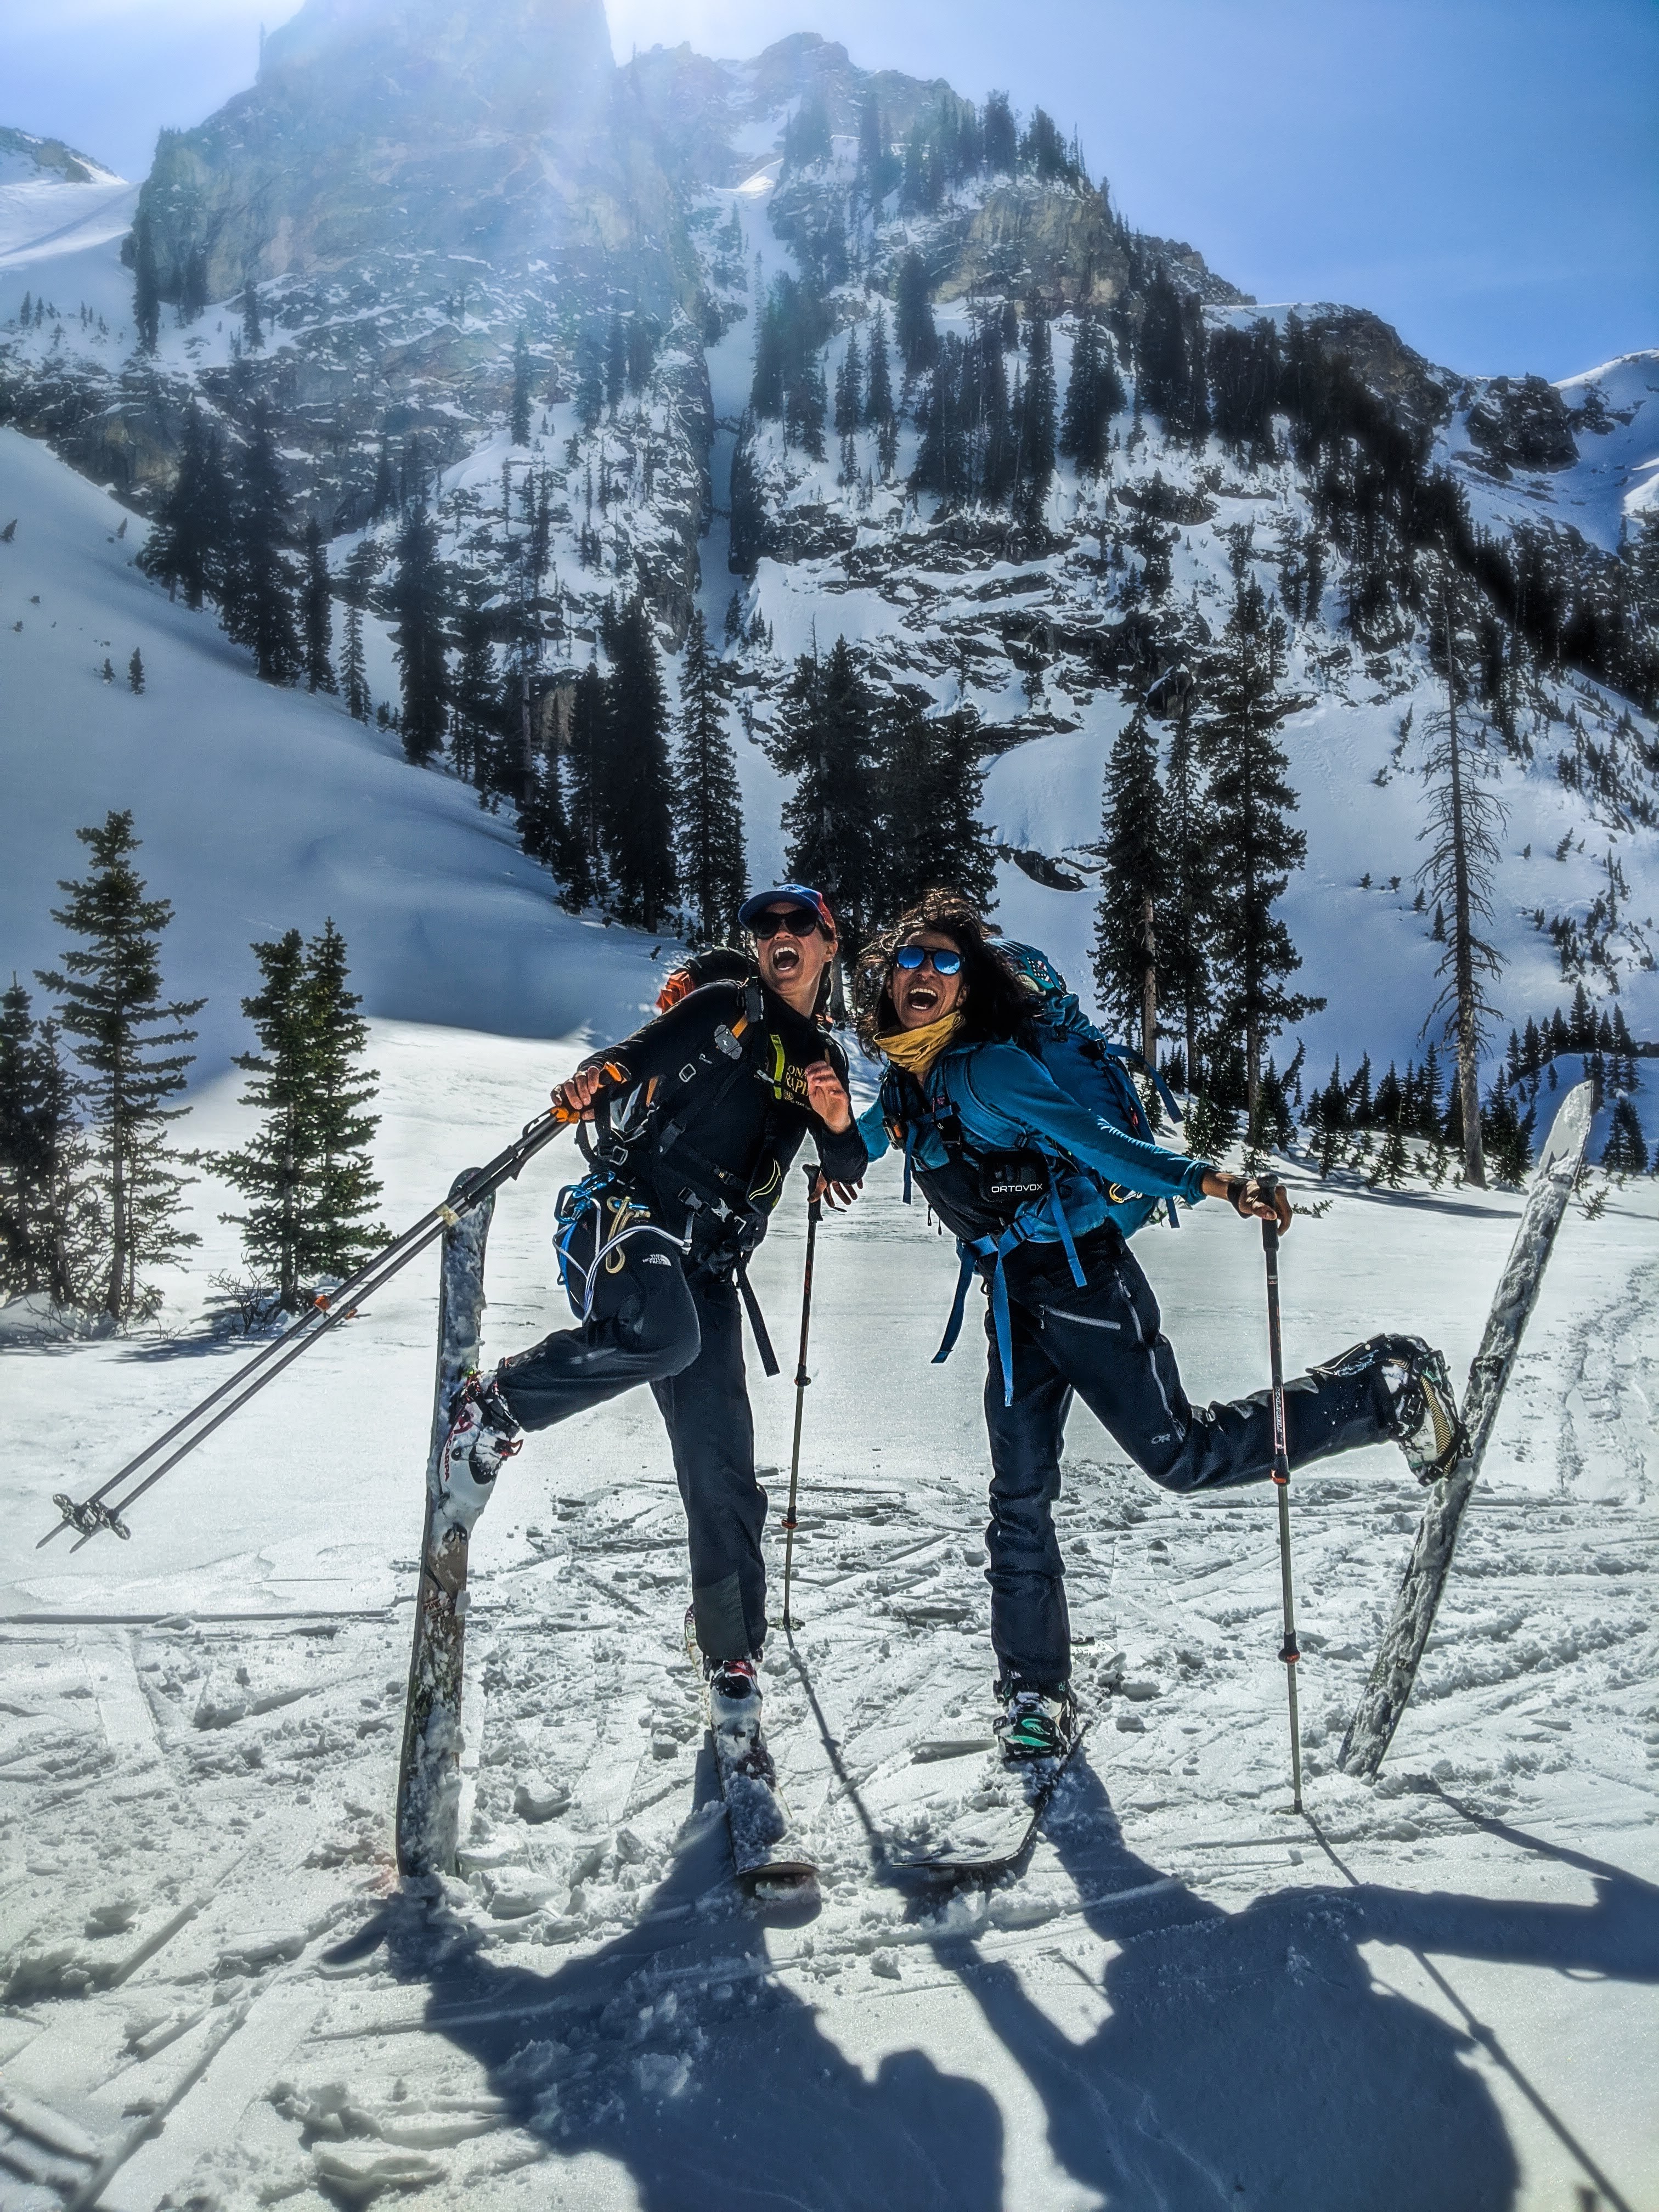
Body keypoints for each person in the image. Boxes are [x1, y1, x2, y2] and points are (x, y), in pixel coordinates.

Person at [855, 891, 1462, 1760]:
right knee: (1018, 1498)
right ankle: (1034, 1691)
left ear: (969, 984)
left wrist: (1214, 1182)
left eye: (946, 962)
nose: (924, 973)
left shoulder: (992, 1068)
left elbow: (1103, 1146)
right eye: (911, 959)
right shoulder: (910, 1075)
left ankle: (1382, 1390)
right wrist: (815, 1143)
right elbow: (866, 1135)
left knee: (1181, 1455)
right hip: (1012, 1298)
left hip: (1085, 1285)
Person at [439, 884, 867, 1722]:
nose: (779, 937)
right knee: (662, 1336)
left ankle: (731, 1651)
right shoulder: (724, 1005)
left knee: (725, 1469)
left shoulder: (822, 1058)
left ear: (827, 941)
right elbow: (637, 1055)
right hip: (630, 1213)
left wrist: (837, 1120)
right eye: (764, 927)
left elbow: (845, 1169)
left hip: (709, 1260)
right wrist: (594, 1081)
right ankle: (494, 1405)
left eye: (797, 926)